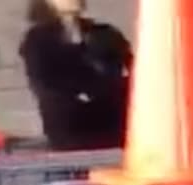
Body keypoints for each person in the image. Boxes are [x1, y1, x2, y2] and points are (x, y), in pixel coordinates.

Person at [19, 0, 133, 152]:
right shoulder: (38, 38)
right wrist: (80, 94)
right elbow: (42, 79)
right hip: (70, 122)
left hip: (113, 117)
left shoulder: (105, 32)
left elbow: (133, 67)